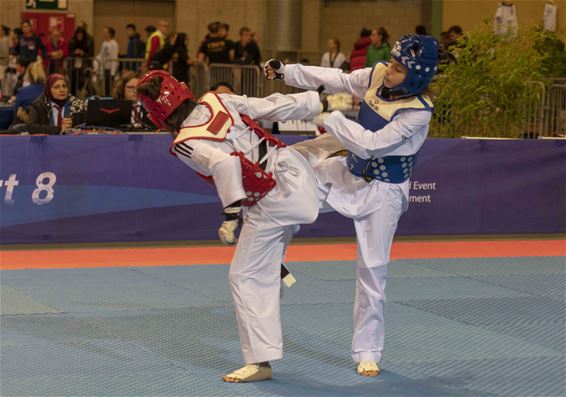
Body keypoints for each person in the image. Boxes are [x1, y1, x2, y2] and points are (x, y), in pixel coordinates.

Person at [137, 70, 351, 383]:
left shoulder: (185, 142)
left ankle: (260, 362)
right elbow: (269, 106)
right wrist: (313, 103)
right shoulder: (216, 99)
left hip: (273, 201)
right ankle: (366, 170)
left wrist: (230, 216)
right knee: (327, 153)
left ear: (156, 113)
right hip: (291, 166)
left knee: (243, 275)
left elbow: (225, 163)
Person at [264, 34, 439, 377]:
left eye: (399, 68)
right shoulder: (376, 76)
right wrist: (287, 72)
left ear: (416, 76)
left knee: (372, 272)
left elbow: (371, 145)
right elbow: (338, 79)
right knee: (286, 189)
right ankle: (272, 260)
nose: (389, 70)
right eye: (391, 62)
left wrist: (331, 114)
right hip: (347, 171)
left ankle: (368, 350)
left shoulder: (418, 113)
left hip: (384, 195)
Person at [10, 60, 46, 128]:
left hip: (24, 127)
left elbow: (15, 114)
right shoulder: (50, 91)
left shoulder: (22, 91)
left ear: (28, 74)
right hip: (46, 126)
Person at [68, 26, 94, 96]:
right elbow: (69, 53)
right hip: (73, 66)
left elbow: (91, 53)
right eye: (78, 35)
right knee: (73, 83)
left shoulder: (89, 40)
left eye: (81, 35)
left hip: (84, 66)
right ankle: (73, 98)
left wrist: (83, 53)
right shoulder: (72, 40)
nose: (79, 36)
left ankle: (86, 99)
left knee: (84, 83)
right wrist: (74, 52)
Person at [96, 27, 119, 96]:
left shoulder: (114, 44)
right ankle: (105, 96)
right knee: (105, 85)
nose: (104, 34)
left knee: (110, 85)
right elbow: (101, 55)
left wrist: (113, 71)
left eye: (106, 32)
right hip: (104, 67)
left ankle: (110, 97)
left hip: (111, 68)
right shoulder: (104, 43)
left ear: (110, 34)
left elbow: (114, 57)